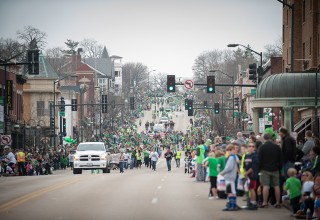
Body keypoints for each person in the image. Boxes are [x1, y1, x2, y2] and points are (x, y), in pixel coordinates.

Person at [258, 132, 283, 208]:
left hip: (264, 169)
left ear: (264, 138)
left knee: (265, 186)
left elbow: (259, 159)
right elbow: (281, 159)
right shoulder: (277, 147)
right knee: (276, 186)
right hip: (275, 169)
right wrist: (279, 168)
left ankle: (265, 202)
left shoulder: (262, 147)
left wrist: (260, 168)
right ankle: (278, 202)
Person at [220, 144, 239, 211]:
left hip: (229, 177)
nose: (229, 151)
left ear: (233, 150)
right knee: (232, 191)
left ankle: (231, 205)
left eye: (230, 150)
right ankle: (232, 205)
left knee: (230, 192)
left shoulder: (231, 158)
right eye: (228, 150)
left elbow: (228, 168)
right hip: (232, 176)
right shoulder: (235, 157)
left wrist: (223, 172)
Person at [244, 143, 259, 210]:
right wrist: (245, 173)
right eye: (249, 146)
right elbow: (244, 166)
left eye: (253, 146)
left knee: (252, 189)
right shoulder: (247, 155)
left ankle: (253, 203)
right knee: (249, 189)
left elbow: (254, 167)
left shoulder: (255, 156)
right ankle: (250, 203)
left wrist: (246, 173)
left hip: (252, 175)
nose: (251, 147)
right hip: (247, 175)